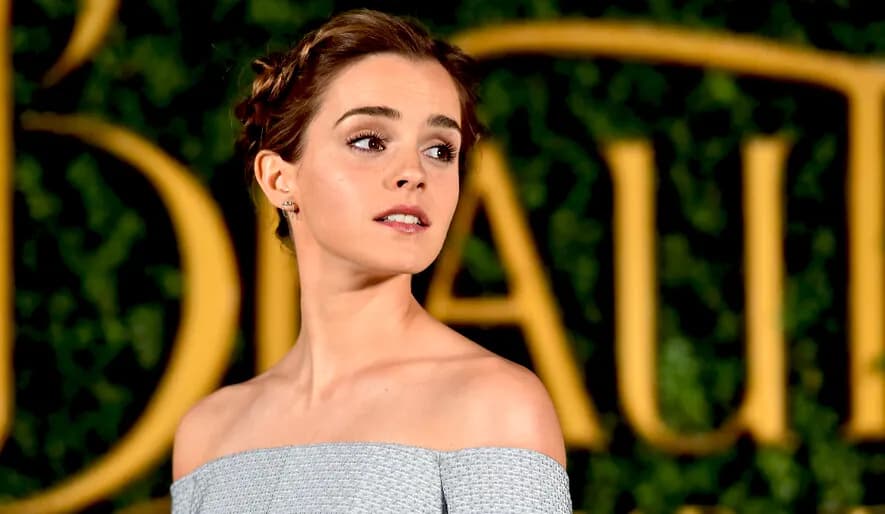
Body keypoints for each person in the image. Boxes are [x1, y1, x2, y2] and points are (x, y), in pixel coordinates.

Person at [169, 8, 571, 513]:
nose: (414, 172)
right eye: (369, 141)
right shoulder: (208, 434)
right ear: (279, 179)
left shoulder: (493, 405)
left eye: (440, 150)